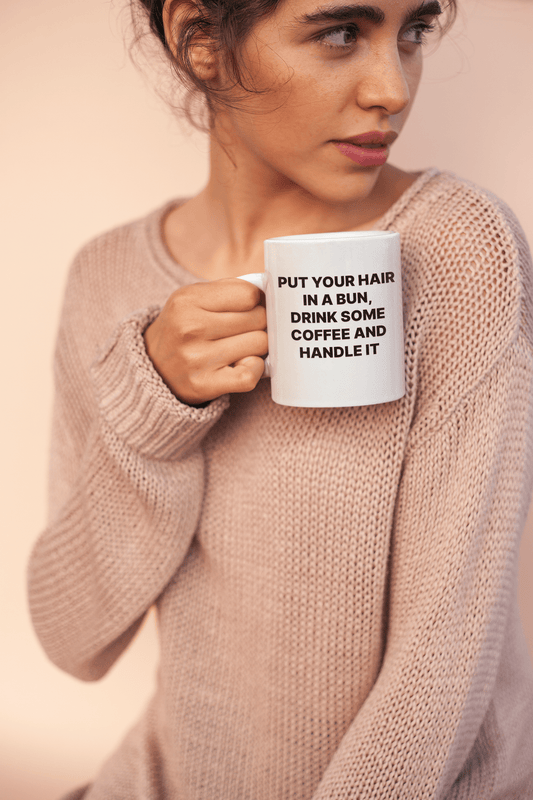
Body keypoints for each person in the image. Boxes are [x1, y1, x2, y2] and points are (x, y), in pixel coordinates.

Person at [28, 0, 533, 797]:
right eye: (340, 32)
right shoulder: (107, 277)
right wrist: (152, 407)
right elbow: (71, 637)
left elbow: (444, 657)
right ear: (198, 38)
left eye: (414, 31)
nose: (392, 88)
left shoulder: (458, 249)